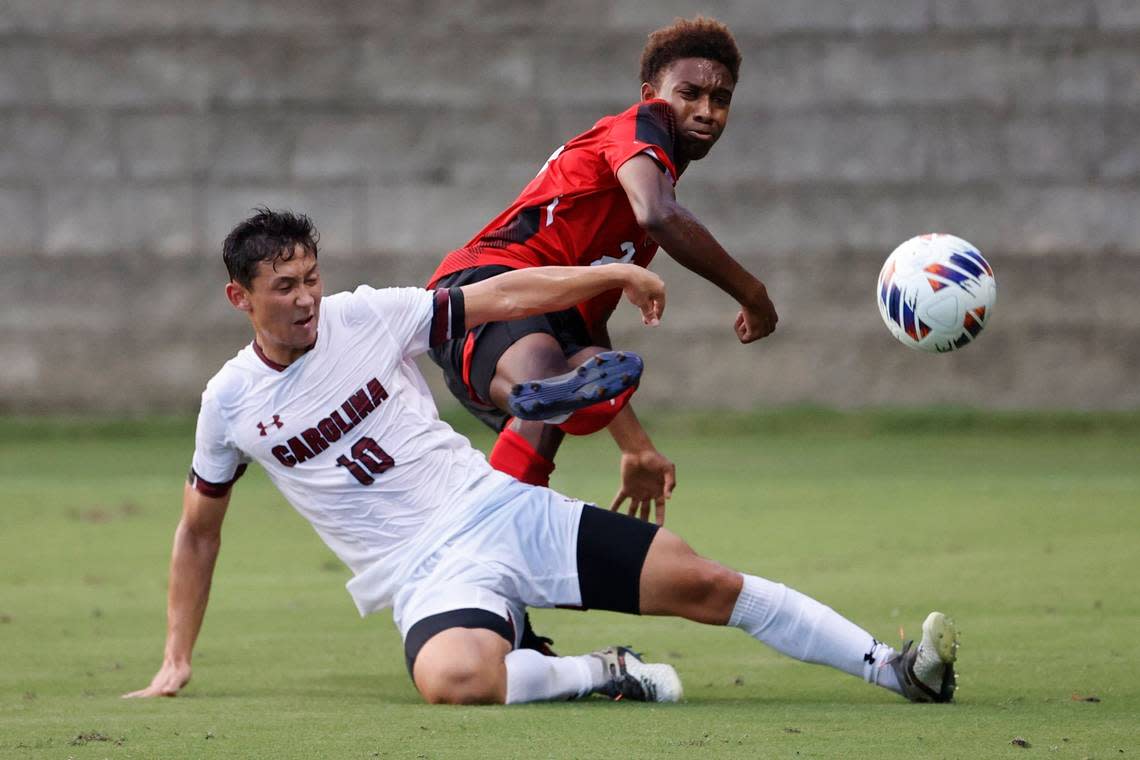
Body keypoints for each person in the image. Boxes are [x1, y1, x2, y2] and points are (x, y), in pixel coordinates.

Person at [125, 210, 959, 706]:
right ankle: (602, 674)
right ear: (241, 298)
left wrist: (603, 274)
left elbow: (501, 294)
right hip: (422, 576)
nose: (306, 298)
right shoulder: (229, 404)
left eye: (310, 277)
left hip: (500, 510)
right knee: (454, 681)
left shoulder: (366, 315)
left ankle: (896, 671)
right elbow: (199, 532)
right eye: (284, 287)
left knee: (706, 585)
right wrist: (177, 656)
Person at [426, 16, 776, 525]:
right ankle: (540, 391)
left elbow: (586, 327)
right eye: (690, 93)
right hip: (484, 284)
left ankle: (495, 560)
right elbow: (660, 217)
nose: (706, 111)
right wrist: (753, 293)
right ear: (652, 93)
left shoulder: (640, 194)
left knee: (582, 367)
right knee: (551, 363)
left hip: (544, 315)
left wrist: (636, 447)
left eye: (720, 100)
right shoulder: (639, 128)